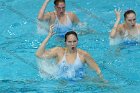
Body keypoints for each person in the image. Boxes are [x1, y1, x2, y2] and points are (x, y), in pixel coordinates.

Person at [36, 25, 104, 80]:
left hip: (79, 83)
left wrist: (102, 81)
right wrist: (49, 36)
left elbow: (97, 70)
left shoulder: (83, 55)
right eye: (69, 42)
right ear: (65, 42)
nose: (72, 44)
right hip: (61, 84)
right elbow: (39, 54)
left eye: (74, 41)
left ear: (77, 41)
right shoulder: (59, 51)